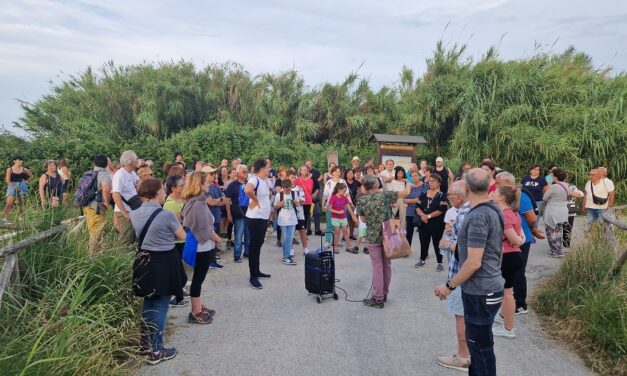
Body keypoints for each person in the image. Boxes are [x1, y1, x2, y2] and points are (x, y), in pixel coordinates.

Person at [434, 168, 504, 376]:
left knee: (480, 349)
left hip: (481, 291)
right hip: (487, 288)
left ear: (465, 188)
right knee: (481, 348)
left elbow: (474, 262)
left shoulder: (479, 216)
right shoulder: (490, 208)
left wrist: (448, 286)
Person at [129, 178, 186, 365]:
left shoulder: (135, 213)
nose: (164, 192)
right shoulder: (166, 215)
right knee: (161, 305)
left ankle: (145, 343)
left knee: (148, 302)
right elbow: (182, 235)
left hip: (144, 259)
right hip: (163, 262)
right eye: (162, 189)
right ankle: (157, 350)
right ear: (156, 192)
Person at [356, 175, 409, 308]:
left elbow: (363, 220)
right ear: (375, 185)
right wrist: (407, 183)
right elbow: (406, 192)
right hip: (389, 234)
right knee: (387, 265)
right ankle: (384, 294)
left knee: (377, 266)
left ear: (365, 186)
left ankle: (377, 297)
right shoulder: (385, 196)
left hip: (373, 236)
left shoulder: (361, 200)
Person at [495, 172, 543, 315]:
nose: (496, 185)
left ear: (508, 182)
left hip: (520, 239)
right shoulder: (506, 197)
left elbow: (532, 218)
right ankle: (509, 303)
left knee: (518, 272)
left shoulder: (520, 196)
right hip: (511, 238)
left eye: (498, 183)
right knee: (510, 272)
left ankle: (520, 304)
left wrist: (532, 230)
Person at [435, 181, 471, 372]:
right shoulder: (475, 209)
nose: (448, 199)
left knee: (461, 316)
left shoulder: (464, 214)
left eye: (449, 196)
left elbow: (467, 250)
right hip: (466, 274)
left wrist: (447, 244)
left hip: (461, 274)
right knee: (467, 316)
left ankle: (463, 356)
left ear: (458, 196)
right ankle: (467, 353)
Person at [181, 171, 222, 324]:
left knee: (199, 278)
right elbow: (204, 228)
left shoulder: (196, 201)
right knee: (198, 279)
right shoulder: (198, 204)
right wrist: (218, 239)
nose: (209, 183)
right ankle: (196, 311)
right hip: (202, 246)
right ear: (199, 184)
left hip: (203, 246)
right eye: (206, 181)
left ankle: (198, 306)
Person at [492, 185, 525, 339]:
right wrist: (518, 241)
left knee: (507, 293)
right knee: (508, 292)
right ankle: (503, 317)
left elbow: (514, 238)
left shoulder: (505, 214)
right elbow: (521, 237)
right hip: (513, 255)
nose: (492, 193)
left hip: (508, 256)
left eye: (495, 192)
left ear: (502, 197)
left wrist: (517, 241)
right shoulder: (513, 213)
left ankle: (508, 328)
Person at [245, 159, 273, 290]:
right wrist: (255, 200)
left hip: (262, 218)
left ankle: (257, 271)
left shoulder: (263, 181)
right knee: (254, 246)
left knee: (258, 245)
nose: (269, 169)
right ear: (262, 169)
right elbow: (247, 190)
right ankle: (253, 276)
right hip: (255, 218)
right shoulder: (254, 179)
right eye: (268, 167)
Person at [543, 168, 582, 257]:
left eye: (552, 176)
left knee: (551, 231)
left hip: (553, 210)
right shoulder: (569, 186)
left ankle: (557, 252)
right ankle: (558, 250)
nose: (552, 177)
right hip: (563, 210)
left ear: (556, 177)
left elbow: (544, 198)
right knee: (559, 230)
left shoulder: (554, 186)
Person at [163, 174, 189, 308]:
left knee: (180, 268)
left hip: (180, 239)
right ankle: (175, 295)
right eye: (181, 185)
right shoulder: (171, 205)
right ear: (173, 189)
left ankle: (179, 291)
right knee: (176, 269)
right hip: (174, 241)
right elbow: (176, 224)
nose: (184, 187)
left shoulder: (180, 200)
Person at [415, 174, 448, 272]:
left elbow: (441, 210)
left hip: (437, 224)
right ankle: (422, 259)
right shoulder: (424, 193)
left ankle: (439, 263)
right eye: (430, 181)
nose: (431, 183)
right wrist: (422, 216)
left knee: (437, 243)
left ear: (438, 183)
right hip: (423, 223)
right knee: (423, 241)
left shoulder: (442, 196)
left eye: (434, 181)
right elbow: (417, 206)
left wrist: (428, 216)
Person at [83, 155, 112, 255]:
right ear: (106, 164)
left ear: (94, 163)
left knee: (93, 231)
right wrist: (106, 203)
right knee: (96, 233)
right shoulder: (104, 175)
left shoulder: (88, 173)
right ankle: (91, 256)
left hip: (86, 205)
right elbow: (106, 188)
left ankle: (96, 253)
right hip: (97, 207)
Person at [202, 166, 228, 269]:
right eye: (211, 174)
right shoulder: (203, 188)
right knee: (209, 240)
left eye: (214, 173)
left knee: (215, 240)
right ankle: (209, 261)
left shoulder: (216, 187)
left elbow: (225, 200)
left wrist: (217, 200)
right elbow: (210, 202)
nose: (214, 176)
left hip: (216, 217)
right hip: (208, 219)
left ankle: (212, 260)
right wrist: (219, 200)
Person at [112, 150, 140, 246]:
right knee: (127, 238)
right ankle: (124, 258)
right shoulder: (120, 175)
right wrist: (124, 213)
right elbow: (115, 195)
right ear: (131, 161)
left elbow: (138, 184)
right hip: (125, 210)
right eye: (136, 159)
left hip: (133, 208)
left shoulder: (132, 173)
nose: (138, 161)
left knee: (134, 236)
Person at [225, 164, 250, 263]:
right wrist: (229, 214)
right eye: (244, 171)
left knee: (248, 234)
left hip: (249, 213)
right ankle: (237, 255)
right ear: (238, 173)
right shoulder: (232, 185)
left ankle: (247, 252)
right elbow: (227, 200)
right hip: (238, 212)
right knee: (238, 235)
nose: (246, 173)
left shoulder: (249, 184)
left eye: (246, 171)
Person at [274, 179, 299, 265]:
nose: (287, 191)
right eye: (285, 189)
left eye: (289, 189)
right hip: (282, 219)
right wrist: (279, 205)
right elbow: (275, 206)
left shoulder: (294, 193)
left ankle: (287, 256)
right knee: (285, 239)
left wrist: (297, 203)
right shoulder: (279, 195)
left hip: (292, 219)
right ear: (282, 187)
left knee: (290, 239)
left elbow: (298, 204)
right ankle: (286, 257)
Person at [322, 166, 347, 249]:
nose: (338, 173)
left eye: (339, 171)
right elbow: (325, 194)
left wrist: (350, 203)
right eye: (336, 171)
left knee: (338, 225)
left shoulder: (343, 181)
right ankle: (327, 241)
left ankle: (336, 241)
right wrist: (323, 204)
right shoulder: (329, 182)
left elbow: (346, 194)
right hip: (330, 205)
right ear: (332, 172)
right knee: (329, 224)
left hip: (340, 206)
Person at [328, 183, 357, 253]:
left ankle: (348, 246)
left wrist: (353, 216)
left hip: (343, 217)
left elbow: (349, 208)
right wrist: (338, 212)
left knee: (345, 231)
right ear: (339, 190)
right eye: (344, 191)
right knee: (337, 231)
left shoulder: (345, 198)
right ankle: (336, 247)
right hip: (335, 218)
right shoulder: (333, 197)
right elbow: (329, 209)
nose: (344, 193)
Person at [288, 170, 310, 255]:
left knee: (302, 230)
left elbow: (303, 200)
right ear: (287, 178)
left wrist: (298, 200)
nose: (293, 179)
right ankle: (290, 249)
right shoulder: (285, 188)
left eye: (294, 177)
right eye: (291, 177)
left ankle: (305, 249)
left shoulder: (299, 188)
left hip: (299, 213)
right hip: (289, 214)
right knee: (290, 231)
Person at [403, 170, 424, 246]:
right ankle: (407, 249)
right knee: (409, 232)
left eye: (415, 175)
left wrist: (410, 200)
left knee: (422, 233)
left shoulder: (424, 186)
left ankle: (424, 253)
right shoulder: (409, 186)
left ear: (420, 176)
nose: (414, 177)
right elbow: (404, 199)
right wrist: (412, 200)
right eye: (412, 176)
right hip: (410, 211)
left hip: (421, 212)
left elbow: (421, 199)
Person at [305, 160, 323, 236]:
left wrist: (315, 194)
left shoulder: (314, 176)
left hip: (315, 198)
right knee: (308, 214)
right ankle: (308, 229)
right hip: (306, 199)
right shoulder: (301, 178)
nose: (306, 171)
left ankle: (317, 229)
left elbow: (318, 187)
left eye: (307, 169)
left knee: (317, 213)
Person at [344, 168, 361, 240]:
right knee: (345, 219)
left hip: (355, 203)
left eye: (351, 173)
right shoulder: (343, 182)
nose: (350, 174)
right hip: (345, 203)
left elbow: (361, 191)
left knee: (352, 220)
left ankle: (351, 234)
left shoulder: (357, 182)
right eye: (348, 173)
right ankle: (345, 235)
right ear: (346, 174)